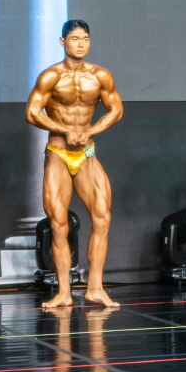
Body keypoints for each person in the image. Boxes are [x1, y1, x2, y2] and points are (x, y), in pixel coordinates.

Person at [25, 19, 124, 308]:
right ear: (62, 42)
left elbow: (116, 109)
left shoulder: (100, 76)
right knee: (59, 225)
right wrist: (64, 130)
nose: (80, 44)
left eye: (85, 39)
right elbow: (32, 112)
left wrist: (91, 131)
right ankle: (64, 292)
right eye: (75, 39)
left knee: (102, 218)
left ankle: (95, 288)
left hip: (86, 153)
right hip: (59, 152)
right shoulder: (50, 76)